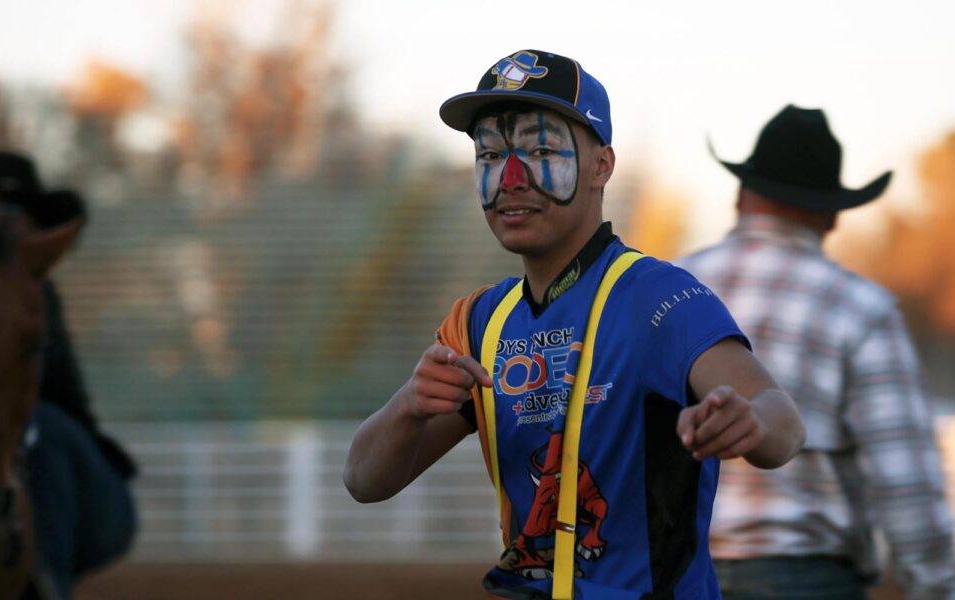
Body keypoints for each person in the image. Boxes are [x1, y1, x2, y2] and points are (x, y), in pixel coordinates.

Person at [344, 50, 805, 599]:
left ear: (602, 166)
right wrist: (410, 407)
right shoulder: (478, 323)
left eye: (541, 150)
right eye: (490, 155)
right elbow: (365, 481)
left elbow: (785, 427)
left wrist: (751, 422)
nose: (510, 179)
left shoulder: (660, 298)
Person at [679, 105, 955, 599]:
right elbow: (905, 479)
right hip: (806, 576)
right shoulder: (861, 309)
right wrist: (934, 588)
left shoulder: (666, 292)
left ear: (742, 195)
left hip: (676, 571)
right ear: (832, 214)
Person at [0, 151, 138, 597]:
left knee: (40, 431)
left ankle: (44, 581)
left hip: (47, 445)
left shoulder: (32, 291)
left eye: (11, 210)